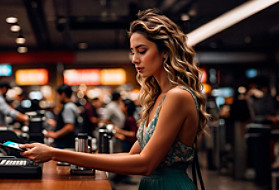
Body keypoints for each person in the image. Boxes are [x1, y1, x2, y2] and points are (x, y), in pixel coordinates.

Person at [20, 9, 211, 189]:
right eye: (133, 51)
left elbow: (145, 164)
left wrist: (55, 153)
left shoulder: (177, 96)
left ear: (165, 51)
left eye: (142, 51)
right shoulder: (158, 98)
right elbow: (131, 156)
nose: (135, 59)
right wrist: (71, 156)